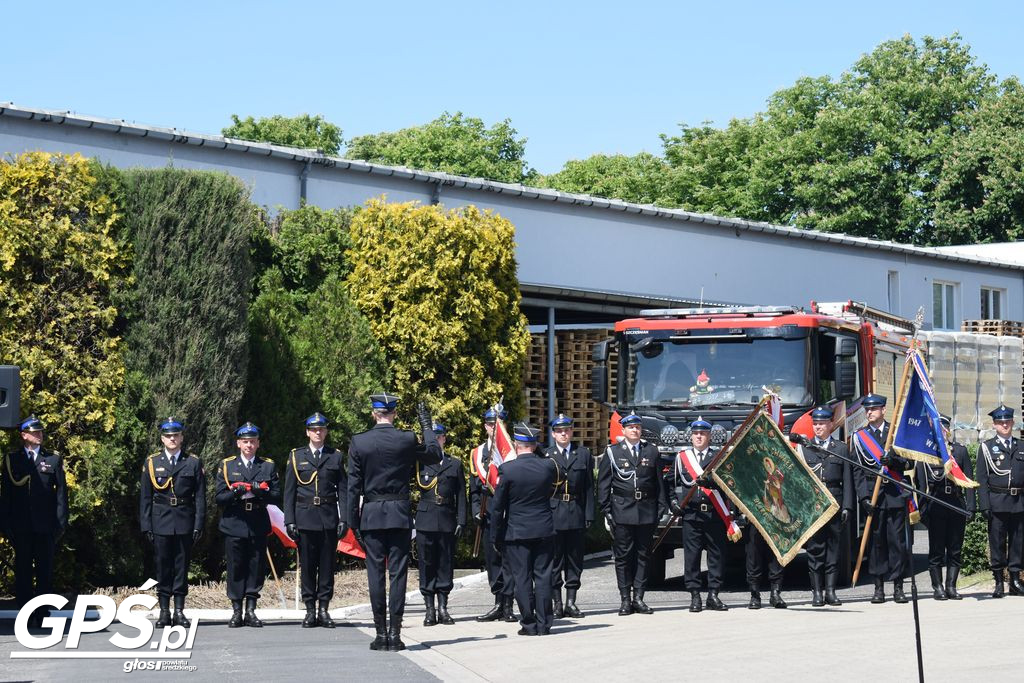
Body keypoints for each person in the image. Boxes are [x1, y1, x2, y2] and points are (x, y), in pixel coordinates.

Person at [347, 393, 441, 651]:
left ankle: (380, 634)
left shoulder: (360, 441)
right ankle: (395, 634)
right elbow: (434, 453)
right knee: (397, 574)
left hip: (372, 515)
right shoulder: (406, 438)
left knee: (375, 575)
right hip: (399, 513)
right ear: (394, 413)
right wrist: (426, 425)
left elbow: (353, 487)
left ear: (373, 412)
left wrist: (352, 522)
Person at [490, 421, 558, 636]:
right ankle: (544, 623)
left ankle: (529, 624)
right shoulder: (548, 466)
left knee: (522, 578)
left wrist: (495, 536)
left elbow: (497, 507)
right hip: (544, 530)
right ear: (535, 444)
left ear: (517, 445)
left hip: (517, 532)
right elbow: (557, 474)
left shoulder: (508, 470)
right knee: (544, 576)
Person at [598, 412, 669, 616]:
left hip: (646, 510)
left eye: (637, 427)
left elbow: (659, 482)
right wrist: (606, 509)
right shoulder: (613, 452)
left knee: (643, 556)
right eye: (631, 428)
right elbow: (603, 484)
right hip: (622, 510)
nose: (635, 430)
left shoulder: (651, 451)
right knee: (622, 557)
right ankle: (625, 599)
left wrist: (661, 506)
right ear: (624, 430)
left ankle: (639, 597)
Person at [1, 416, 67, 628]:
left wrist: (60, 524)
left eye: (41, 432)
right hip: (21, 527)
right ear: (24, 435)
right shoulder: (13, 460)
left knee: (44, 571)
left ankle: (42, 612)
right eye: (35, 432)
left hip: (45, 526)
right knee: (23, 572)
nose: (40, 435)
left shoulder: (53, 459)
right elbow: (6, 495)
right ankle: (26, 613)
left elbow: (61, 496)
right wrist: (6, 525)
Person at [139, 418, 206, 627]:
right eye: (168, 436)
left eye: (176, 435)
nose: (172, 439)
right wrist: (146, 525)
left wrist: (198, 524)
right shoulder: (153, 463)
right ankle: (164, 611)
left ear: (182, 437)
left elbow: (200, 497)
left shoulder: (193, 462)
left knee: (181, 567)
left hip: (185, 521)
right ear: (162, 439)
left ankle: (179, 611)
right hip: (161, 522)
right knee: (162, 567)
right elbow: (145, 497)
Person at [283, 412, 348, 628]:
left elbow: (344, 490)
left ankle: (324, 609)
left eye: (321, 429)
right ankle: (310, 609)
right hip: (305, 517)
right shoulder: (296, 456)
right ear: (307, 432)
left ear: (326, 431)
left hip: (329, 517)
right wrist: (289, 520)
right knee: (308, 566)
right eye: (314, 429)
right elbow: (289, 492)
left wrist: (344, 518)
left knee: (327, 566)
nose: (318, 433)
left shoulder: (335, 456)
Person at [215, 422, 281, 628]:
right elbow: (219, 497)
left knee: (255, 566)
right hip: (234, 522)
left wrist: (260, 491)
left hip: (257, 522)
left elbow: (277, 496)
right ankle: (236, 610)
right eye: (245, 442)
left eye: (252, 441)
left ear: (258, 443)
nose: (249, 445)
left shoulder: (267, 466)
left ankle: (251, 610)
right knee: (236, 567)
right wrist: (237, 491)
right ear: (238, 444)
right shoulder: (228, 466)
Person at [853, 394, 912, 604]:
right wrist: (864, 498)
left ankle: (898, 587)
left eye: (874, 409)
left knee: (897, 543)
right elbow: (857, 471)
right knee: (876, 544)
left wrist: (893, 460)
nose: (869, 413)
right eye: (867, 410)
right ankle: (878, 588)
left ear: (883, 410)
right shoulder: (859, 437)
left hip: (895, 494)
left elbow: (909, 464)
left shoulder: (895, 434)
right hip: (874, 496)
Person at [675, 418, 733, 612]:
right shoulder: (682, 458)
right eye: (696, 434)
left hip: (714, 514)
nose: (699, 437)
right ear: (691, 436)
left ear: (709, 436)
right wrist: (673, 503)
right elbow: (669, 483)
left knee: (716, 556)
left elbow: (728, 486)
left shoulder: (719, 457)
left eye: (703, 434)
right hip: (691, 515)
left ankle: (713, 595)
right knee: (692, 557)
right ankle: (695, 595)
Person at [797, 406, 853, 607]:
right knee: (815, 549)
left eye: (822, 423)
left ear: (830, 424)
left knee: (833, 549)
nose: (818, 427)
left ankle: (830, 591)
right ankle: (817, 592)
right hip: (814, 506)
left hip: (835, 503)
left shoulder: (841, 449)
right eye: (816, 424)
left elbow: (848, 480)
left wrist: (847, 506)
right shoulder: (805, 448)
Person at [414, 422, 467, 626]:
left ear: (444, 438)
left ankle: (443, 608)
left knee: (445, 564)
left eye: (440, 436)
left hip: (446, 517)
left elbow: (462, 495)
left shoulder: (454, 464)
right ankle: (429, 609)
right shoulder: (420, 464)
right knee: (427, 564)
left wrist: (461, 520)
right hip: (426, 519)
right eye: (433, 437)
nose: (437, 440)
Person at [917, 415, 974, 600]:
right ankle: (938, 587)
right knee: (936, 550)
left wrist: (970, 508)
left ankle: (951, 586)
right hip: (935, 505)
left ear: (948, 430)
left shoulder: (959, 451)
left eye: (944, 428)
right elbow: (920, 485)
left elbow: (969, 481)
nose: (942, 432)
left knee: (955, 549)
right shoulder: (926, 454)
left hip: (956, 504)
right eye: (938, 429)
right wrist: (923, 511)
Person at [469, 407, 516, 622]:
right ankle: (498, 602)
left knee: (511, 560)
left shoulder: (512, 451)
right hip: (488, 514)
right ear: (485, 426)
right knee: (493, 560)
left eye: (497, 423)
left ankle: (509, 605)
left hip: (510, 514)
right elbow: (474, 488)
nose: (493, 427)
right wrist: (476, 510)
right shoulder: (478, 454)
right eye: (490, 424)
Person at [545, 413, 594, 619]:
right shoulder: (546, 456)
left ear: (571, 432)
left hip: (575, 510)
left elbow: (589, 488)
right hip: (554, 511)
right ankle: (557, 603)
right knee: (555, 560)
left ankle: (571, 602)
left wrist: (589, 514)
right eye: (559, 431)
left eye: (566, 430)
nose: (563, 434)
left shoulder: (583, 454)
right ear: (553, 434)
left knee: (574, 560)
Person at [977, 405, 1024, 598]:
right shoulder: (987, 448)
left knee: (1018, 543)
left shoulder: (1021, 446)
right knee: (997, 543)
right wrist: (984, 505)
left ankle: (1014, 581)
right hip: (997, 501)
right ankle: (998, 582)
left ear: (1012, 423)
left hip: (1019, 501)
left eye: (1007, 421)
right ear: (994, 425)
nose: (1004, 424)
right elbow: (981, 479)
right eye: (1000, 422)